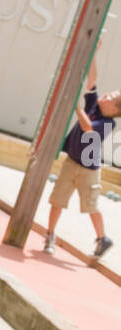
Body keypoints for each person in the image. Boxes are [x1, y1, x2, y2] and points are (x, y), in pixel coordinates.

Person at [43, 43, 121, 259]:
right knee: (57, 199)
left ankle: (102, 238)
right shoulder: (94, 105)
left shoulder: (107, 123)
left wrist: (76, 105)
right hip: (72, 162)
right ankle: (50, 234)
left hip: (89, 170)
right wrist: (94, 53)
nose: (104, 96)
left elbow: (87, 126)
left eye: (110, 98)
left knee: (91, 206)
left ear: (113, 110)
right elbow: (92, 81)